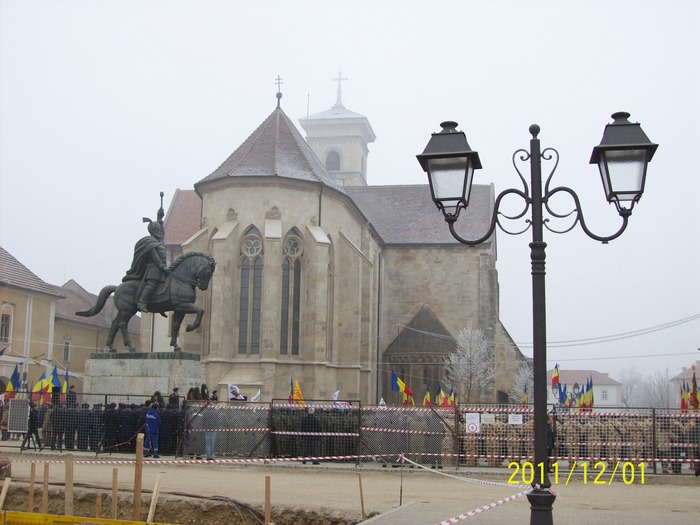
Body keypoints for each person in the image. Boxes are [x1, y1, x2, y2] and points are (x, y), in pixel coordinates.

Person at [123, 195, 169, 313]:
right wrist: (162, 267)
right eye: (158, 230)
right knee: (152, 285)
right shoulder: (150, 242)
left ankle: (161, 304)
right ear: (154, 231)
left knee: (166, 286)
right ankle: (142, 302)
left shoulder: (159, 241)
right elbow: (154, 257)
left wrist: (160, 219)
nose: (160, 231)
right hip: (153, 270)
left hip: (163, 270)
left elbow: (162, 231)